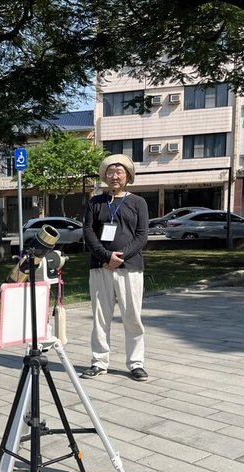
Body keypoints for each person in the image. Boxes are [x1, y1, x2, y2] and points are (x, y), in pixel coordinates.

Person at [81, 154, 149, 382]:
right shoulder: (95, 202)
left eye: (119, 172)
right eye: (110, 172)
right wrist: (105, 256)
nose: (114, 176)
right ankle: (99, 362)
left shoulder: (138, 202)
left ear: (127, 176)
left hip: (130, 267)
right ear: (105, 176)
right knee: (100, 317)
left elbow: (142, 235)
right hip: (100, 267)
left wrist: (120, 257)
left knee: (132, 317)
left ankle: (136, 363)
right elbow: (88, 232)